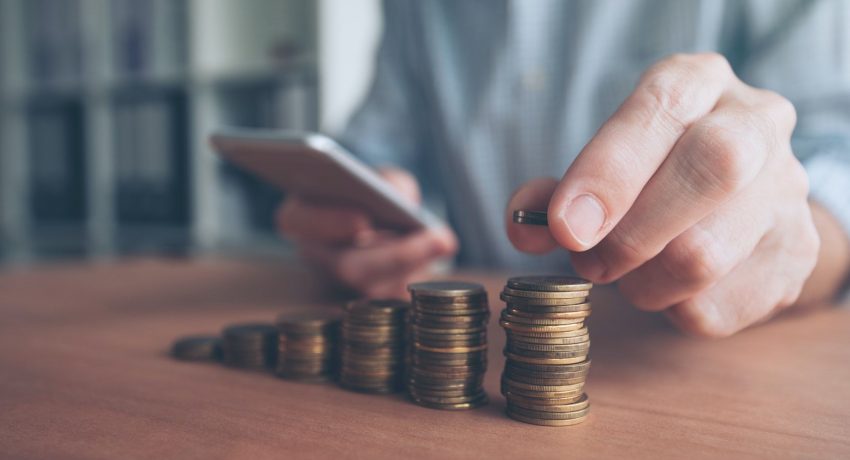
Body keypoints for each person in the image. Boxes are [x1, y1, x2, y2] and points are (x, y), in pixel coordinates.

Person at [277, 0, 850, 337]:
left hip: (691, 361)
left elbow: (835, 165)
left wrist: (793, 232)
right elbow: (379, 152)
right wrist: (355, 215)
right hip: (472, 342)